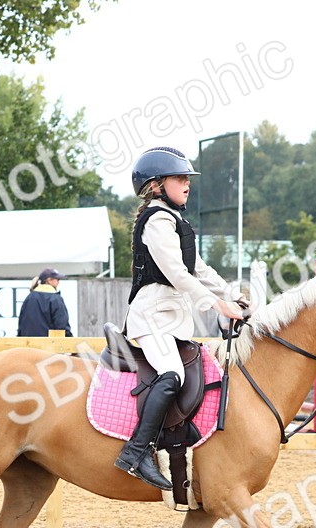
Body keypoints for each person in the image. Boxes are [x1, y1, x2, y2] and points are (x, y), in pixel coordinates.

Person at [117, 146, 246, 490]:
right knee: (171, 374)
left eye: (188, 178)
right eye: (180, 178)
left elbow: (198, 268)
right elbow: (177, 273)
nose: (187, 184)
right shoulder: (157, 221)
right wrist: (217, 306)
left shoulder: (175, 221)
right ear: (156, 185)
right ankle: (136, 453)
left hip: (172, 319)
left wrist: (233, 294)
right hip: (152, 317)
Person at [17, 267, 73, 337]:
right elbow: (62, 327)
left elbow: (21, 326)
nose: (59, 282)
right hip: (48, 345)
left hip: (28, 345)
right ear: (49, 280)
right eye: (57, 279)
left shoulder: (29, 298)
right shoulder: (55, 299)